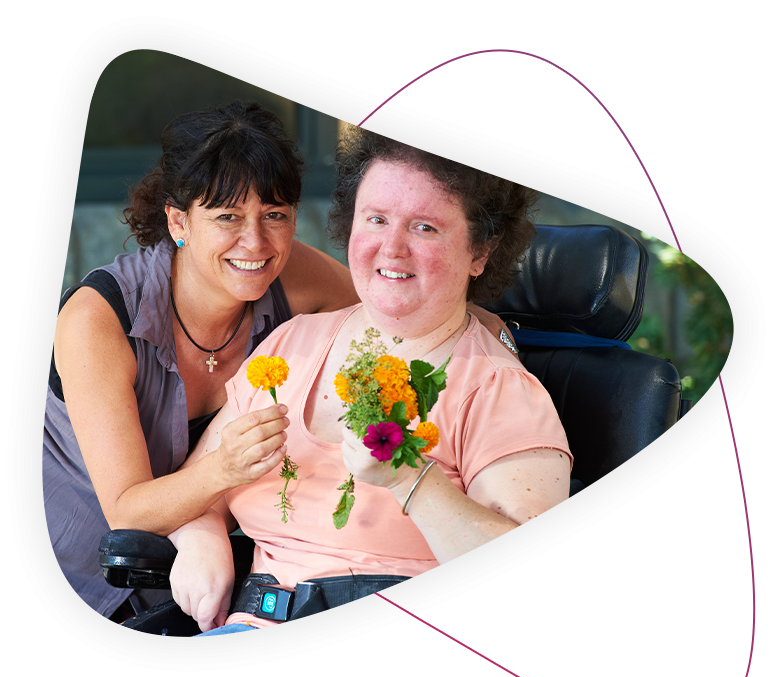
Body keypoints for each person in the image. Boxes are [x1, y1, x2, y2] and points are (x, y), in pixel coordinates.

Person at [166, 128, 573, 635]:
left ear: (480, 253)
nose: (392, 248)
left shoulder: (498, 390)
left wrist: (411, 482)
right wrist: (201, 536)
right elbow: (200, 486)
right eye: (376, 220)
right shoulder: (293, 343)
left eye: (424, 228)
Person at [44, 100, 361, 620]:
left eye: (275, 215)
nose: (255, 242)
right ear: (178, 221)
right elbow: (128, 510)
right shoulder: (98, 319)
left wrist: (498, 336)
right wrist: (224, 469)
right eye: (227, 217)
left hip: (216, 571)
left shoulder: (290, 274)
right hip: (90, 573)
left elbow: (393, 314)